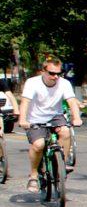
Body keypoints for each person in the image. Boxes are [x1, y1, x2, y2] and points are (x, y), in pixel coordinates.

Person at [18, 57, 82, 191]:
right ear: (43, 71)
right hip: (35, 118)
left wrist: (76, 118)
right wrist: (23, 120)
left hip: (55, 116)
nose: (55, 77)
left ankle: (62, 164)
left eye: (59, 73)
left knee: (65, 131)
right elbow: (25, 102)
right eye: (52, 73)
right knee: (39, 144)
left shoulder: (64, 83)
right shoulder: (32, 83)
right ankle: (34, 176)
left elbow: (71, 101)